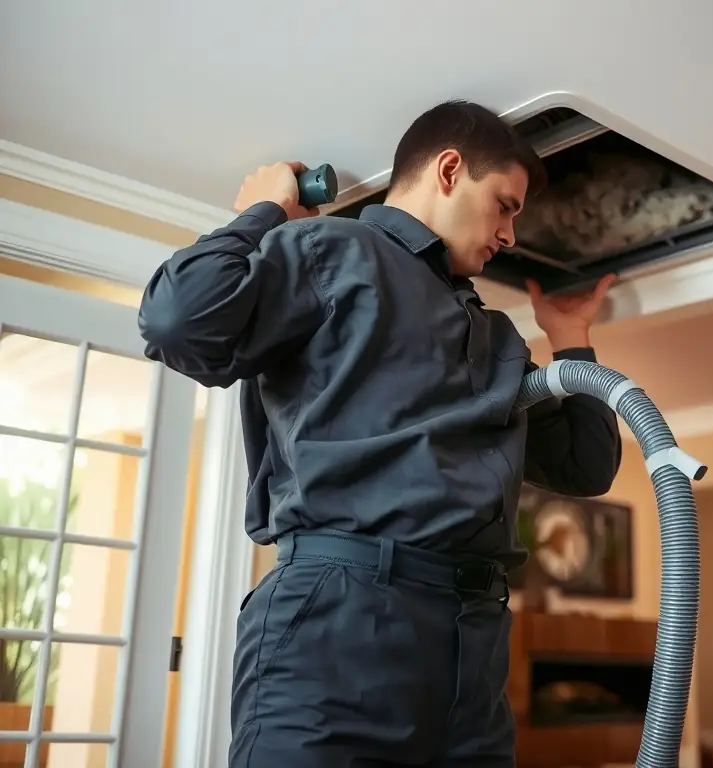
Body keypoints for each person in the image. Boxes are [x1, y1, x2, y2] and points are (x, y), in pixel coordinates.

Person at [138, 99, 622, 767]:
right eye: (505, 206)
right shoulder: (331, 250)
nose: (510, 234)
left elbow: (585, 464)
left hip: (473, 645)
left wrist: (571, 339)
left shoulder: (495, 338)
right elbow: (177, 320)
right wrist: (264, 211)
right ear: (449, 170)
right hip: (341, 622)